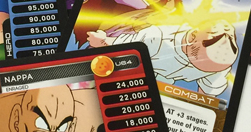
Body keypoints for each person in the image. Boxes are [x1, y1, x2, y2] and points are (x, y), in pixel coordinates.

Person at [88, 18, 239, 97]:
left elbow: (207, 94)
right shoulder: (157, 38)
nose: (201, 69)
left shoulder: (220, 64)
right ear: (193, 37)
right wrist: (103, 41)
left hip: (163, 83)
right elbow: (124, 46)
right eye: (199, 62)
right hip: (141, 67)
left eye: (207, 69)